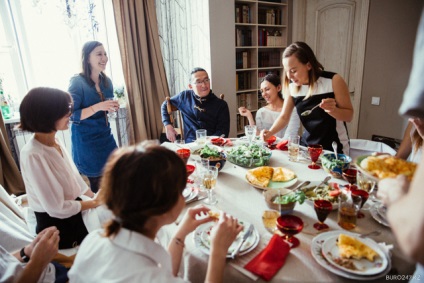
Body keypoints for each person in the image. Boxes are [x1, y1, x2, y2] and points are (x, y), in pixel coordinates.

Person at [68, 142, 242, 282]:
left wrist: (180, 233)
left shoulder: (94, 240)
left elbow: (166, 272)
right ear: (163, 208)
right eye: (181, 190)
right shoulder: (149, 277)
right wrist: (218, 251)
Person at [19, 87, 112, 249]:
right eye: (66, 110)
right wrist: (94, 203)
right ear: (48, 115)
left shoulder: (56, 142)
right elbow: (57, 208)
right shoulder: (33, 154)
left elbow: (75, 180)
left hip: (74, 210)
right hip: (59, 226)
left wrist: (94, 197)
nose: (70, 113)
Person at [378, 8, 424, 282]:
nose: (414, 120)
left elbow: (415, 238)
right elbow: (400, 159)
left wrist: (396, 195)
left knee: (387, 277)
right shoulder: (417, 130)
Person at [261, 42, 353, 154]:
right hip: (307, 148)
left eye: (293, 71)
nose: (289, 76)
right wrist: (269, 133)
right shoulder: (292, 87)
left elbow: (349, 116)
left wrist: (333, 110)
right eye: (287, 71)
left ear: (308, 65)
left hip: (335, 148)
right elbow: (284, 117)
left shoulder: (333, 81)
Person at [68, 41, 119, 193]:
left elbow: (106, 108)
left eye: (105, 54)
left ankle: (118, 210)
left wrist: (111, 108)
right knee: (98, 186)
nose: (104, 58)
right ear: (87, 58)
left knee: (117, 175)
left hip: (105, 137)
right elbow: (71, 115)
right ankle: (100, 214)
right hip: (86, 142)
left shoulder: (107, 82)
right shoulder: (77, 82)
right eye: (99, 54)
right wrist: (98, 106)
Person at [161, 67, 230, 143]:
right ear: (190, 86)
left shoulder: (221, 105)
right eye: (199, 82)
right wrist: (168, 125)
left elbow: (223, 132)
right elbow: (165, 105)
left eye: (206, 80)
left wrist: (210, 143)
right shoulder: (184, 97)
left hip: (213, 146)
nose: (204, 85)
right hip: (190, 145)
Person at [238, 73, 300, 139]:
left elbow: (290, 137)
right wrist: (249, 116)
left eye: (267, 89)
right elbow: (260, 137)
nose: (264, 94)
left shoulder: (292, 110)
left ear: (278, 88)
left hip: (286, 148)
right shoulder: (261, 112)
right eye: (262, 91)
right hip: (268, 148)